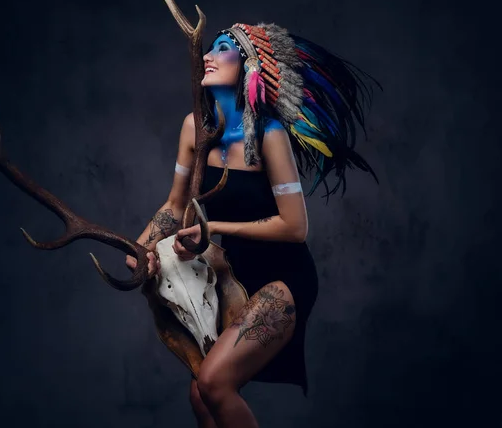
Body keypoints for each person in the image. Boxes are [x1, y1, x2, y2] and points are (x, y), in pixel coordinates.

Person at [126, 22, 379, 428]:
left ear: (250, 66)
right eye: (210, 48)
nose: (208, 55)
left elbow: (295, 227)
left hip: (284, 277)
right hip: (232, 275)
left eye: (223, 48)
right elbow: (175, 205)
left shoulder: (269, 134)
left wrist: (212, 231)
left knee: (213, 381)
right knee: (200, 393)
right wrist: (141, 252)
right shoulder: (196, 128)